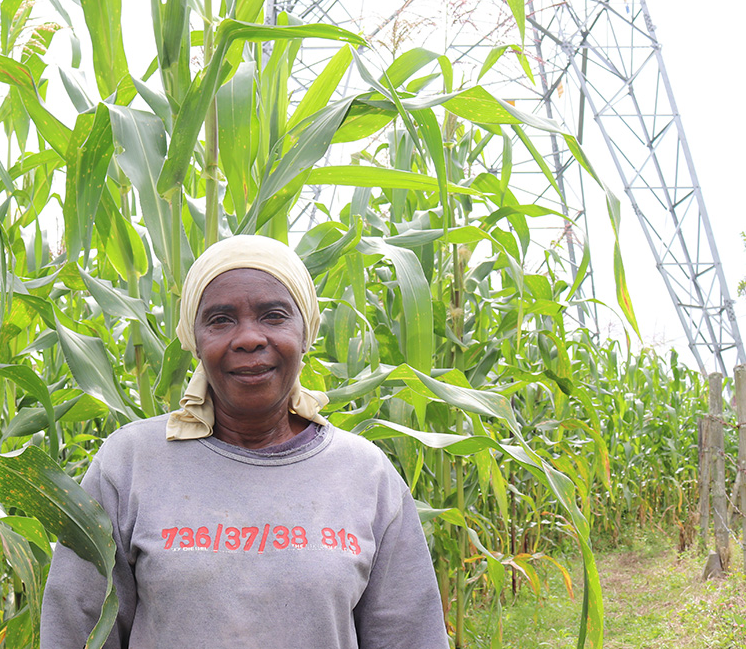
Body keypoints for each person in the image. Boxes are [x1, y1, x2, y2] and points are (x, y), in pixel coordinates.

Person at [41, 235, 448, 649]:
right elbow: (77, 629)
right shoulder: (129, 464)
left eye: (274, 316)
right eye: (220, 320)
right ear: (195, 342)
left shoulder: (366, 475)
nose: (249, 338)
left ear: (305, 333)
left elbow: (410, 635)